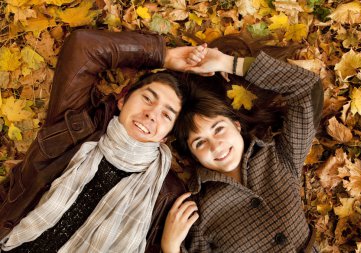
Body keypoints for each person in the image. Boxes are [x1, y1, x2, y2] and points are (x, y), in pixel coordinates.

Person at [0, 29, 203, 252]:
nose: (152, 114)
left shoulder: (166, 195)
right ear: (123, 100)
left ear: (166, 136)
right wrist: (165, 56)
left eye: (166, 115)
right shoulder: (77, 127)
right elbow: (84, 46)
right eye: (147, 98)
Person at [161, 36, 324, 253]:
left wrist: (227, 63)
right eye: (199, 142)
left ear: (237, 125)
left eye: (219, 129)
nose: (215, 145)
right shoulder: (197, 209)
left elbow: (307, 89)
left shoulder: (279, 157)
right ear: (192, 154)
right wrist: (170, 248)